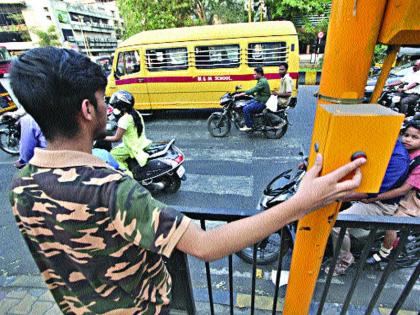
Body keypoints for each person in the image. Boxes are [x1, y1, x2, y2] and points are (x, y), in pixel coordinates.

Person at [8, 47, 365, 314]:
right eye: (103, 99)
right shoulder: (111, 189)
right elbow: (205, 246)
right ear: (88, 109)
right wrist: (301, 203)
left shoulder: (20, 186)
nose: (108, 108)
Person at [328, 139, 410, 276]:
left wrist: (341, 196)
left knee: (338, 223)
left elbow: (375, 191)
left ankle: (344, 260)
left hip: (378, 203)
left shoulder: (398, 158)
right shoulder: (376, 142)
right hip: (364, 192)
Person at [365, 120, 420, 264]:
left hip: (411, 200)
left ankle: (385, 251)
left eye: (415, 137)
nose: (408, 139)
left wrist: (373, 198)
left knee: (392, 222)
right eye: (406, 135)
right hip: (399, 191)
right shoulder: (403, 150)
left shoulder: (418, 161)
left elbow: (403, 190)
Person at [104, 90, 152, 177]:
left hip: (132, 146)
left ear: (121, 106)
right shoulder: (135, 113)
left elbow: (116, 138)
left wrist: (101, 137)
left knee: (113, 155)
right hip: (141, 142)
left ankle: (128, 177)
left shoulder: (124, 120)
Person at [235, 66, 270, 131]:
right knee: (245, 104)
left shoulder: (262, 82)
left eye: (255, 74)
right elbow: (256, 90)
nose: (254, 75)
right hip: (259, 99)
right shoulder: (262, 80)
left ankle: (249, 126)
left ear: (259, 74)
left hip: (262, 102)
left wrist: (241, 94)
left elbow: (253, 89)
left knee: (246, 109)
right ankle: (251, 120)